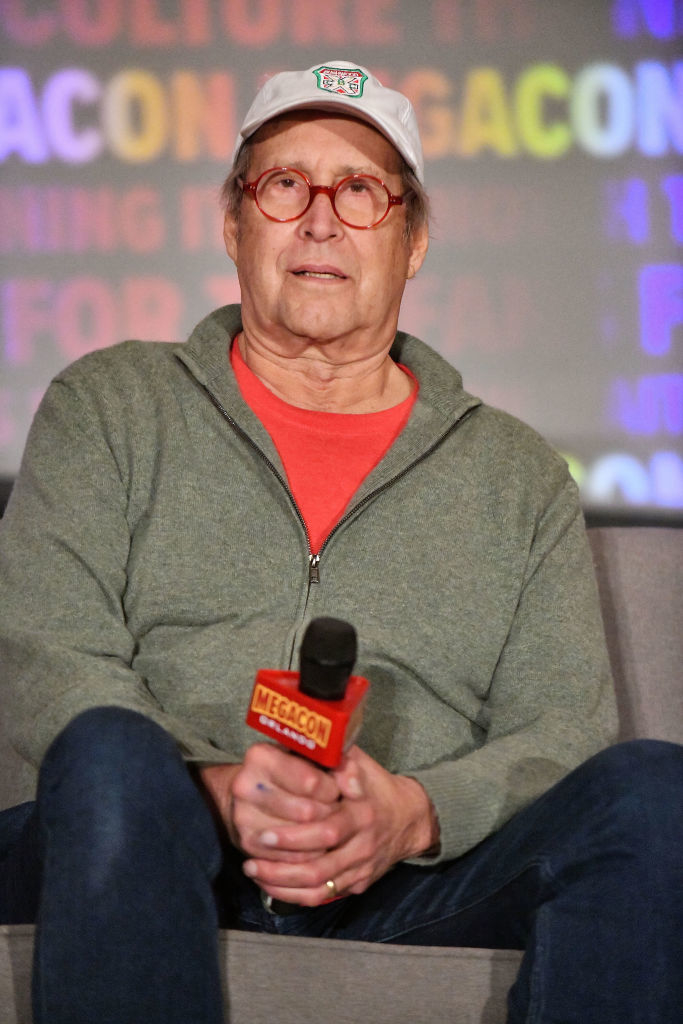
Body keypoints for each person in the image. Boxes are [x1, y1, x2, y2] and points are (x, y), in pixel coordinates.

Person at [0, 59, 680, 1024]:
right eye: (285, 184)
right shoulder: (111, 405)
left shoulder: (518, 474)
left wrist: (412, 812)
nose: (321, 219)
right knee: (112, 752)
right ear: (232, 222)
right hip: (146, 840)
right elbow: (44, 644)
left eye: (361, 191)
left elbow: (560, 729)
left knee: (652, 794)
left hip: (405, 883)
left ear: (412, 241)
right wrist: (216, 788)